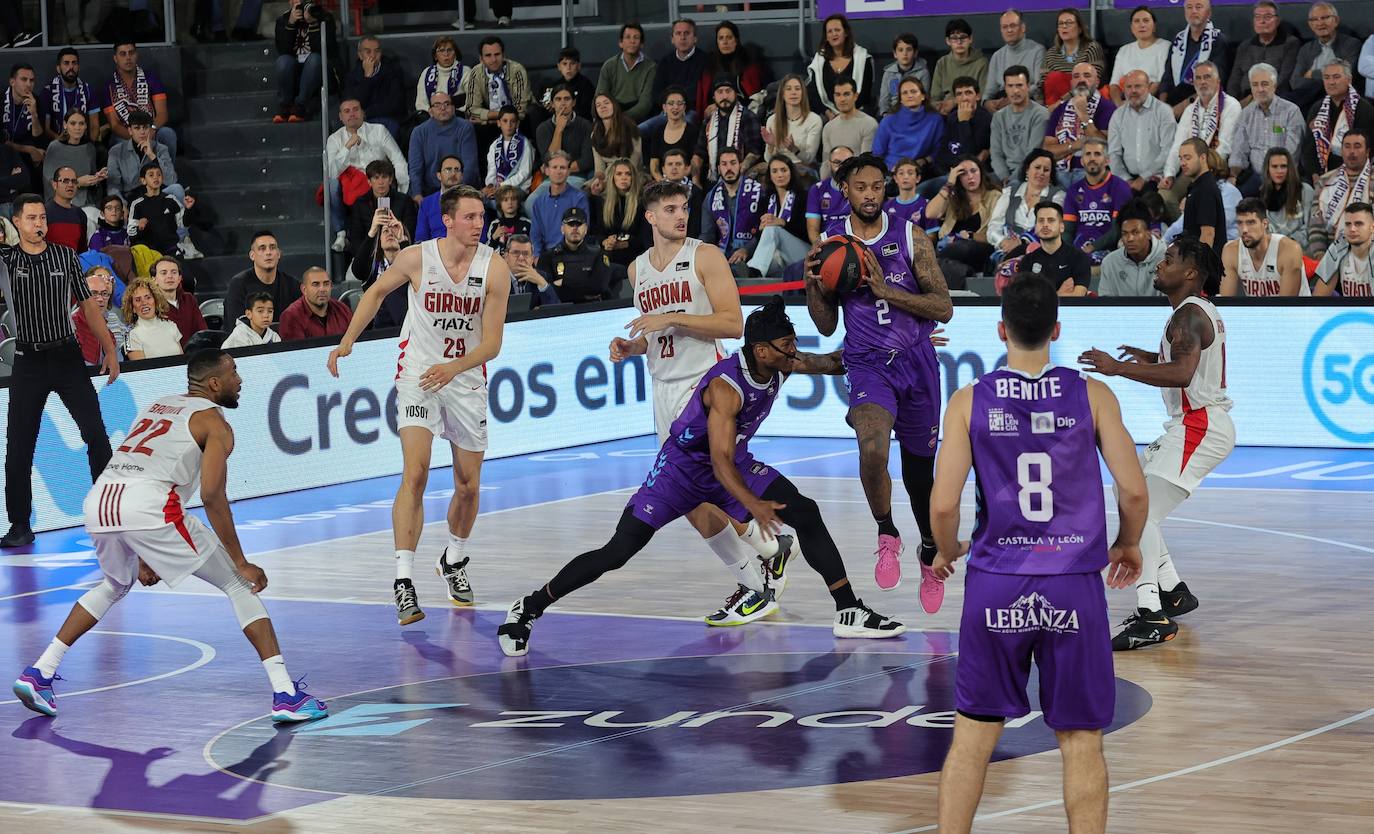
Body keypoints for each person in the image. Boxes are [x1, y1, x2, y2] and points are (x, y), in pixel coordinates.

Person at [498, 297, 907, 657]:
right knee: (618, 551)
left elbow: (835, 361)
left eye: (793, 345)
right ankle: (529, 607)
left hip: (732, 460)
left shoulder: (781, 362)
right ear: (762, 350)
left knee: (806, 511)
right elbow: (719, 461)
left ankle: (848, 609)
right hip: (682, 470)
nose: (795, 353)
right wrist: (753, 505)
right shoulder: (727, 387)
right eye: (787, 347)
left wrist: (899, 347)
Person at [930, 274, 1146, 834]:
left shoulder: (968, 400)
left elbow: (944, 502)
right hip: (1073, 581)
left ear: (1001, 330)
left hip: (996, 581)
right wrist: (1128, 541)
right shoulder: (1093, 395)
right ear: (1056, 328)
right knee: (1080, 740)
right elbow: (1134, 490)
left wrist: (947, 548)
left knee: (973, 735)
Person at [13, 349, 329, 721]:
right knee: (238, 585)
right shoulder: (215, 425)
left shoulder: (159, 404)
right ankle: (285, 694)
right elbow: (212, 495)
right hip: (148, 506)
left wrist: (147, 554)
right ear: (214, 383)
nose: (239, 380)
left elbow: (146, 466)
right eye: (234, 373)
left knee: (115, 585)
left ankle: (40, 672)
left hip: (100, 500)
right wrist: (240, 562)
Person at [613, 180, 796, 622]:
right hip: (663, 388)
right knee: (696, 502)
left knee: (697, 495)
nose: (681, 215)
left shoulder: (705, 256)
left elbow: (734, 324)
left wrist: (672, 315)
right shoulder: (638, 270)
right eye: (671, 209)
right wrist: (633, 347)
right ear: (650, 217)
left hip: (707, 386)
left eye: (684, 208)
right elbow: (659, 336)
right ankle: (770, 553)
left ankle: (757, 580)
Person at [328, 185, 510, 625]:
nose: (477, 224)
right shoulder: (415, 257)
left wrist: (454, 367)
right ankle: (403, 581)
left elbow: (492, 345)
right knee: (417, 471)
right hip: (418, 375)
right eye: (469, 217)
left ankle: (454, 559)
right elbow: (374, 293)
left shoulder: (494, 267)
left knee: (468, 484)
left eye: (480, 217)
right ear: (447, 220)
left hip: (464, 375)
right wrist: (348, 340)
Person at [805, 152, 954, 601]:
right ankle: (886, 534)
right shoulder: (831, 245)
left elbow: (943, 307)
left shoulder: (911, 237)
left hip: (916, 363)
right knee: (872, 451)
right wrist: (813, 283)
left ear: (885, 189)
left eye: (876, 186)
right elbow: (827, 326)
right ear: (844, 191)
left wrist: (887, 290)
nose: (869, 195)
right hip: (867, 363)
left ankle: (928, 552)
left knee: (918, 477)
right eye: (860, 187)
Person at [1079, 236, 1232, 651]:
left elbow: (1183, 373)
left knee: (1138, 511)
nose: (1159, 265)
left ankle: (1152, 614)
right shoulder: (1192, 314)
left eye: (1169, 260)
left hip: (1199, 426)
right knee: (1125, 488)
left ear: (1191, 273)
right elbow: (1188, 363)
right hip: (1194, 424)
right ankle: (1172, 588)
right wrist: (1148, 357)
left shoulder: (1187, 317)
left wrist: (1119, 368)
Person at [0, 195, 117, 547]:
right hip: (28, 360)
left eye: (42, 218)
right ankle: (20, 524)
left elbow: (88, 306)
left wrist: (109, 347)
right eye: (31, 218)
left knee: (96, 433)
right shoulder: (6, 260)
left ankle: (107, 511)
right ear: (16, 222)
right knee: (18, 446)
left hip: (67, 357)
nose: (39, 224)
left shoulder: (65, 256)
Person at [1158, 62, 1242, 219]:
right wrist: (1169, 174)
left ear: (1218, 81)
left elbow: (1224, 148)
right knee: (1164, 194)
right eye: (1198, 78)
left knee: (1193, 199)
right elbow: (1178, 146)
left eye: (1207, 77)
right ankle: (1186, 233)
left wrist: (1199, 177)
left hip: (1217, 169)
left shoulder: (1231, 106)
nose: (1202, 82)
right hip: (1191, 168)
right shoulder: (1190, 110)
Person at [326, 98, 409, 251]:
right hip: (351, 189)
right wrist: (347, 147)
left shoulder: (379, 130)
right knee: (331, 184)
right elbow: (332, 172)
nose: (352, 114)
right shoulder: (334, 139)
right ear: (340, 117)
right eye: (347, 111)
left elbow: (397, 158)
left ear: (363, 113)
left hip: (378, 182)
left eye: (356, 109)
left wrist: (403, 192)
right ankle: (341, 234)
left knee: (382, 180)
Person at [1229, 63, 1305, 196]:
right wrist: (1233, 175)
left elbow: (1292, 152)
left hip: (1283, 175)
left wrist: (1273, 175)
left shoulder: (1291, 111)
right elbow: (1239, 149)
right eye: (1255, 85)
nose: (1260, 89)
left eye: (1264, 84)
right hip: (1254, 176)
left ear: (1274, 86)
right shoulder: (1246, 113)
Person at [1300, 61, 1374, 181]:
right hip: (1320, 175)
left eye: (1336, 77)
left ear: (1349, 80)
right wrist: (1314, 174)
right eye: (1327, 78)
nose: (1331, 82)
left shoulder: (1364, 109)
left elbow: (1368, 150)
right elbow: (1309, 147)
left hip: (1354, 176)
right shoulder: (1317, 108)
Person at [1064, 137, 1135, 261]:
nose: (1092, 158)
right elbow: (1068, 231)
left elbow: (1117, 230)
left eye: (1097, 154)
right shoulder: (1073, 190)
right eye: (1088, 154)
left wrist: (1092, 247)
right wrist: (1067, 254)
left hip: (1108, 250)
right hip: (1079, 248)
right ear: (1082, 161)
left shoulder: (1120, 188)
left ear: (1107, 160)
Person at [1043, 63, 1114, 186]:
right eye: (1076, 76)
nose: (1081, 80)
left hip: (1089, 172)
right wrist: (1076, 145)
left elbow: (1104, 147)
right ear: (1071, 83)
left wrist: (1083, 115)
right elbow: (1048, 151)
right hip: (1058, 172)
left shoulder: (1107, 108)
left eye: (1087, 75)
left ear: (1097, 82)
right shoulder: (1060, 109)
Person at [1220, 197, 1309, 296]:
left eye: (1251, 222)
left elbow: (1286, 307)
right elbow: (1227, 302)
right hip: (1254, 311)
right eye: (1240, 223)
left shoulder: (1289, 250)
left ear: (1265, 224)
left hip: (1296, 311)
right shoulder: (1231, 251)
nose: (1244, 229)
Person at [927, 157, 1000, 275]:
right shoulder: (953, 198)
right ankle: (961, 271)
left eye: (974, 171)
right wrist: (949, 183)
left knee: (962, 247)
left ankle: (932, 266)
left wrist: (970, 236)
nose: (970, 176)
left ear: (981, 172)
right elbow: (930, 213)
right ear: (958, 178)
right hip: (951, 250)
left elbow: (997, 235)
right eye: (963, 173)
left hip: (980, 248)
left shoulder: (995, 197)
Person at [1106, 70, 1176, 192]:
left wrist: (1144, 178)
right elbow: (1114, 153)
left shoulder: (1163, 111)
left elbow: (1168, 150)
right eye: (1129, 87)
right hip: (1127, 177)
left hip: (1156, 177)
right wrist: (1126, 179)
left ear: (1148, 87)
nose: (1133, 91)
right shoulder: (1118, 115)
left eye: (1138, 86)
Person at [102, 42, 175, 157]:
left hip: (151, 129)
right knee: (119, 144)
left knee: (168, 134)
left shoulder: (150, 78)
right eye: (123, 54)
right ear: (115, 58)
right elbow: (114, 125)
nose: (128, 57)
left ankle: (167, 173)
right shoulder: (109, 86)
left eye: (131, 53)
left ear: (137, 55)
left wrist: (150, 131)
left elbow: (162, 114)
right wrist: (135, 138)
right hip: (125, 133)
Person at [988, 149, 1063, 262]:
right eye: (1037, 168)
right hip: (1007, 249)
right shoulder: (1010, 192)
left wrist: (1022, 242)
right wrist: (1003, 242)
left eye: (1046, 170)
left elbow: (1052, 227)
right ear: (1027, 169)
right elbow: (994, 226)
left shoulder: (1057, 196)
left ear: (1051, 175)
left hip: (1040, 249)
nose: (1041, 172)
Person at [1158, 0, 1229, 117]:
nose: (1194, 11)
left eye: (1199, 7)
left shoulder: (1218, 40)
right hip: (1172, 102)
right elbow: (1167, 77)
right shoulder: (1178, 40)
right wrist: (1163, 107)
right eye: (1189, 7)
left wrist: (1181, 108)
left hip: (1202, 103)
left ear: (1209, 13)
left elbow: (1216, 83)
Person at [459, 36, 532, 149]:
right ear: (481, 58)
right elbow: (471, 110)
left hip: (517, 121)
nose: (493, 60)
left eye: (497, 54)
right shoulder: (476, 73)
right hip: (492, 121)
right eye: (488, 55)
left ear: (503, 55)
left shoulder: (517, 70)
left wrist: (491, 119)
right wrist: (498, 118)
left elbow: (520, 110)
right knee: (474, 129)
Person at [700, 148, 763, 277]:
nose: (729, 168)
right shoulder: (711, 197)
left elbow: (765, 231)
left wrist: (747, 250)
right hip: (723, 256)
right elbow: (707, 235)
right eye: (724, 164)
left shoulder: (759, 191)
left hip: (753, 254)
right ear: (718, 168)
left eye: (733, 163)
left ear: (740, 165)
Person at [1308, 130, 1372, 258]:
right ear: (1341, 151)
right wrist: (1321, 258)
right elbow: (1316, 225)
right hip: (1329, 255)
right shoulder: (1325, 181)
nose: (1352, 152)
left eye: (1357, 146)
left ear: (1367, 152)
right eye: (1347, 146)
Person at [1289, 2, 1363, 110]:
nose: (1320, 23)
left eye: (1325, 17)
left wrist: (1313, 74)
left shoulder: (1351, 44)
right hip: (1307, 97)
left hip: (1337, 98)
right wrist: (1330, 79)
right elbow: (1295, 82)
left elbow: (1346, 76)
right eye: (1314, 19)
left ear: (1336, 21)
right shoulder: (1306, 49)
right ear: (1310, 24)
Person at [407, 92, 479, 202]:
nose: (443, 108)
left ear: (453, 108)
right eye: (437, 105)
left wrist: (459, 194)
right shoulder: (419, 132)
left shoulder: (465, 128)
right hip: (430, 191)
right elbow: (415, 168)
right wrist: (417, 194)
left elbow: (470, 166)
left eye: (447, 104)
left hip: (461, 189)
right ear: (430, 111)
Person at [272, 0, 336, 123]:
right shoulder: (283, 20)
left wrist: (313, 24)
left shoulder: (323, 17)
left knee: (315, 59)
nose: (299, 4)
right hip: (294, 71)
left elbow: (325, 51)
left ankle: (300, 106)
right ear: (290, 2)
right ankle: (286, 106)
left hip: (317, 70)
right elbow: (283, 50)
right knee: (283, 61)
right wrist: (290, 24)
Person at [692, 76, 762, 187]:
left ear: (735, 94)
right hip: (713, 177)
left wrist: (736, 171)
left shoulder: (748, 117)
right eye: (720, 92)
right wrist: (695, 180)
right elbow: (699, 153)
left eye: (728, 91)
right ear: (714, 97)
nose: (724, 96)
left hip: (741, 176)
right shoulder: (709, 121)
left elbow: (755, 151)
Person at [536, 205, 614, 303]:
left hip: (592, 310)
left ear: (586, 229)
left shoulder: (598, 254)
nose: (575, 228)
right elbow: (546, 291)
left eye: (579, 224)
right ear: (562, 228)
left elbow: (599, 287)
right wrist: (585, 287)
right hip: (561, 311)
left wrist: (563, 283)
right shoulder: (548, 257)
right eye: (570, 224)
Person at [747, 156, 811, 276]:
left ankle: (753, 270)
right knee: (768, 261)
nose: (779, 175)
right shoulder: (764, 201)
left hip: (803, 253)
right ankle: (750, 271)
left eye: (784, 170)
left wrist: (782, 222)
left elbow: (807, 231)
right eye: (775, 171)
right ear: (770, 176)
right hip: (780, 256)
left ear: (791, 172)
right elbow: (763, 241)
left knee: (772, 229)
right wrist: (761, 230)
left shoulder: (804, 197)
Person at [348, 159, 417, 267]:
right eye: (376, 178)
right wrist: (365, 257)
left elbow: (410, 232)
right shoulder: (360, 203)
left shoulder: (404, 201)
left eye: (384, 177)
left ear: (390, 180)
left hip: (398, 255)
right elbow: (356, 237)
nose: (380, 182)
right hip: (369, 258)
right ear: (369, 182)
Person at [1227, 0, 1300, 104]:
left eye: (1267, 17)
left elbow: (1284, 80)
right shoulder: (1245, 46)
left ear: (1277, 20)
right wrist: (1232, 103)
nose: (1262, 21)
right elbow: (1234, 80)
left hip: (1274, 99)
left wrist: (1254, 99)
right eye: (1257, 17)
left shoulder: (1290, 44)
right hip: (1243, 100)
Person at [807, 13, 876, 118]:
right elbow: (814, 94)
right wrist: (828, 113)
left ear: (846, 33)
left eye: (837, 30)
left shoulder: (862, 58)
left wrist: (847, 113)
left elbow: (865, 94)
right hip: (827, 115)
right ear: (826, 37)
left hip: (856, 112)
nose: (834, 34)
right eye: (830, 31)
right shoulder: (819, 60)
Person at [223, 231, 300, 325]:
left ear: (279, 254)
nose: (268, 252)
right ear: (252, 255)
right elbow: (235, 326)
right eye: (262, 248)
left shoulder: (292, 284)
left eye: (272, 248)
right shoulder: (239, 284)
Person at [990, 65, 1050, 186]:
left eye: (1019, 85)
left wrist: (1012, 179)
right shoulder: (998, 116)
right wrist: (1004, 176)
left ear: (1028, 86)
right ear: (1005, 88)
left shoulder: (1040, 114)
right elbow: (996, 153)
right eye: (1010, 86)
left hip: (1029, 172)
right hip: (1003, 174)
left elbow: (1032, 155)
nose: (1015, 91)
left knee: (1014, 186)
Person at [1019, 202, 1093, 296]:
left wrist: (1043, 298)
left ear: (1062, 227)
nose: (1045, 225)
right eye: (1041, 220)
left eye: (1051, 220)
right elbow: (1024, 300)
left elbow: (1077, 295)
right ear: (1036, 227)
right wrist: (1058, 294)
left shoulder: (1078, 258)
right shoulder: (1027, 262)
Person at [107, 109, 179, 204]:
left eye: (145, 127)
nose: (142, 132)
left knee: (177, 189)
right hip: (131, 198)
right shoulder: (116, 151)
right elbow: (113, 186)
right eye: (137, 128)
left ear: (150, 129)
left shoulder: (161, 149)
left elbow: (172, 180)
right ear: (130, 130)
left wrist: (152, 156)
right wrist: (121, 205)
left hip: (158, 195)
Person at [872, 77, 943, 174]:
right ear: (900, 99)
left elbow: (938, 149)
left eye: (913, 91)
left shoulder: (935, 119)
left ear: (923, 96)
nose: (909, 95)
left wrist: (925, 160)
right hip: (891, 171)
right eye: (905, 93)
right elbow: (877, 154)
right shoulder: (888, 121)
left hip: (921, 171)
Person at [527, 152, 590, 256]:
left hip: (572, 256)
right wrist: (537, 257)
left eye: (562, 167)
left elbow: (582, 231)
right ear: (547, 170)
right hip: (547, 258)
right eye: (554, 167)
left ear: (569, 171)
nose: (558, 171)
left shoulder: (579, 198)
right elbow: (535, 236)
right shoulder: (539, 202)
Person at [649, 19, 709, 129]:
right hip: (666, 112)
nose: (682, 38)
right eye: (678, 33)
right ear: (672, 39)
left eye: (687, 33)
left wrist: (677, 105)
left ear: (695, 38)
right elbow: (656, 92)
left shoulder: (705, 60)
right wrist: (670, 107)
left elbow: (697, 92)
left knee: (686, 125)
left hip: (690, 111)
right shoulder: (665, 61)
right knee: (639, 130)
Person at [535, 84, 594, 193]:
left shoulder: (586, 126)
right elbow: (549, 160)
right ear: (552, 104)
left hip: (577, 178)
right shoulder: (543, 128)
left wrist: (557, 169)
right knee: (530, 205)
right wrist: (558, 130)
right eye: (558, 99)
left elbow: (586, 161)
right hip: (550, 180)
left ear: (574, 102)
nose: (563, 103)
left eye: (567, 99)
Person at [1098, 203, 1167, 296]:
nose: (1130, 238)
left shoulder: (1168, 259)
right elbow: (1105, 303)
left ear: (1148, 233)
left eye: (1135, 232)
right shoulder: (1110, 262)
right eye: (1125, 233)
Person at [1039, 9, 1105, 106]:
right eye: (1060, 24)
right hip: (1053, 105)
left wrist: (1062, 102)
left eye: (1069, 23)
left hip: (1085, 99)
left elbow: (1092, 82)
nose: (1064, 26)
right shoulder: (1051, 53)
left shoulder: (1091, 48)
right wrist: (1040, 108)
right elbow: (1042, 84)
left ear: (1079, 28)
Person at [932, 77, 993, 182]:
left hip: (972, 175)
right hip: (949, 172)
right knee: (922, 190)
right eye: (959, 94)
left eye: (968, 93)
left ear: (977, 96)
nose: (964, 98)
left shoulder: (985, 119)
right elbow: (943, 152)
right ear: (955, 99)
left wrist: (964, 122)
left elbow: (970, 153)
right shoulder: (952, 116)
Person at [696, 22, 764, 116]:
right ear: (717, 42)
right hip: (714, 114)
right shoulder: (709, 66)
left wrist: (723, 106)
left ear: (736, 41)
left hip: (742, 112)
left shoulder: (748, 65)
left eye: (729, 37)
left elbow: (753, 98)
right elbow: (704, 100)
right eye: (721, 38)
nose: (725, 42)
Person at [596, 23, 658, 125]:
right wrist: (611, 116)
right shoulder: (609, 65)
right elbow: (600, 96)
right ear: (621, 43)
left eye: (636, 38)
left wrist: (620, 119)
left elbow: (645, 103)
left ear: (642, 44)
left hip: (638, 116)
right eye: (628, 37)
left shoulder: (650, 67)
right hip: (612, 111)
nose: (632, 41)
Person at [591, 159, 647, 269]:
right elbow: (598, 232)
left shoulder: (642, 203)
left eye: (628, 174)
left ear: (633, 177)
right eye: (619, 174)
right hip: (609, 254)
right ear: (613, 177)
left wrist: (624, 244)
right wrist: (605, 241)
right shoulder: (602, 201)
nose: (624, 177)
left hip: (634, 256)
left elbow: (644, 238)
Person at [43, 111, 105, 208]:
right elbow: (50, 183)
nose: (77, 128)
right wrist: (77, 182)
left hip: (88, 204)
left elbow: (91, 179)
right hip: (61, 205)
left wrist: (96, 178)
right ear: (65, 125)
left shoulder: (90, 148)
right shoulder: (54, 148)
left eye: (81, 123)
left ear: (85, 126)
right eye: (73, 123)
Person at [984, 10, 1044, 111]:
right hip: (1001, 101)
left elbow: (1039, 85)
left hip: (1028, 100)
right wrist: (986, 102)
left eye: (1013, 26)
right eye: (1005, 27)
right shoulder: (997, 56)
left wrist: (1013, 98)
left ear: (1023, 27)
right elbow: (989, 91)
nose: (1009, 30)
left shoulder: (1038, 51)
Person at [1109, 5, 1169, 103]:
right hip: (1125, 102)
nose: (1142, 25)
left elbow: (1159, 82)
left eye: (1146, 20)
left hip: (1152, 101)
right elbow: (1114, 85)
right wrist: (1119, 106)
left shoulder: (1164, 47)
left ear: (1154, 26)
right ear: (1132, 28)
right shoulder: (1124, 50)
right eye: (1137, 21)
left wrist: (1137, 103)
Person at [1313, 201, 1374, 296]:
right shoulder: (1337, 248)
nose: (1352, 229)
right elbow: (1319, 297)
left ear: (1372, 228)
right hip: (1348, 310)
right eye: (1348, 224)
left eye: (1358, 224)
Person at [126, 162, 188, 257]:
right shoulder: (137, 204)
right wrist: (140, 228)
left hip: (170, 248)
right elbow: (131, 232)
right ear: (143, 181)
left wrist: (190, 209)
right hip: (148, 251)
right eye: (151, 175)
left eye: (159, 174)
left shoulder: (171, 199)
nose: (156, 177)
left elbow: (183, 223)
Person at [763, 74, 822, 173]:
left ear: (803, 93)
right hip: (778, 168)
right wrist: (771, 145)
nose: (793, 92)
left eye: (797, 89)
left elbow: (809, 159)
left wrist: (794, 149)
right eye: (789, 89)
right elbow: (768, 159)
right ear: (782, 94)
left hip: (802, 169)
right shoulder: (772, 120)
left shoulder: (814, 120)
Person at [1178, 138, 1228, 255]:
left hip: (1205, 267)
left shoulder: (1205, 189)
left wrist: (1199, 266)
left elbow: (1208, 234)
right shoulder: (1198, 186)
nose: (1182, 163)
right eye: (1180, 158)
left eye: (1188, 157)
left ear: (1203, 158)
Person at [1259, 147, 1315, 251]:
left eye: (1283, 166)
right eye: (1274, 166)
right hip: (1270, 250)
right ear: (1268, 169)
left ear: (1290, 168)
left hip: (1298, 250)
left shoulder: (1305, 191)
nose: (1279, 171)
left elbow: (1310, 227)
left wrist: (1289, 243)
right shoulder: (1262, 193)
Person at [929, 19, 988, 116]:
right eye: (954, 38)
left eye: (963, 37)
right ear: (948, 41)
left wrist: (955, 102)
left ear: (970, 39)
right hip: (945, 113)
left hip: (973, 110)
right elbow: (935, 97)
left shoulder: (981, 63)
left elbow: (983, 95)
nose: (959, 42)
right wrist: (940, 107)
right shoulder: (942, 63)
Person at [588, 94, 642, 195]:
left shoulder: (630, 127)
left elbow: (635, 158)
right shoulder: (595, 134)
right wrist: (599, 179)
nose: (602, 106)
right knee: (588, 190)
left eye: (606, 103)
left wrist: (612, 180)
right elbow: (599, 166)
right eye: (598, 105)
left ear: (614, 105)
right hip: (607, 174)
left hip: (628, 173)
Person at [73, 265, 128, 364]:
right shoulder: (72, 325)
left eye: (104, 294)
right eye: (94, 293)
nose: (100, 299)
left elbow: (119, 361)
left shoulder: (110, 322)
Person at [279, 266, 351, 340]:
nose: (322, 289)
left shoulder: (343, 310)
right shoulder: (291, 316)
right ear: (304, 289)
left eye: (326, 284)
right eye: (316, 284)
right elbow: (296, 351)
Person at [819, 79, 877, 170]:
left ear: (855, 96)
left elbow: (866, 163)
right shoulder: (828, 128)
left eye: (846, 94)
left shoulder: (869, 124)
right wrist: (824, 183)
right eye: (838, 95)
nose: (842, 99)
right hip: (834, 180)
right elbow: (826, 164)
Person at [121, 276, 183, 360]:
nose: (144, 303)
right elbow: (141, 369)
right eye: (138, 300)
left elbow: (183, 362)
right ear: (133, 308)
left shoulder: (171, 326)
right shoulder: (130, 336)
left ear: (156, 301)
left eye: (148, 297)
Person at [44, 48, 100, 139]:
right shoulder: (48, 92)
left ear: (78, 67)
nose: (71, 67)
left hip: (82, 142)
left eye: (74, 63)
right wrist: (62, 143)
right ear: (58, 68)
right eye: (66, 63)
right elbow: (46, 129)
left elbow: (95, 126)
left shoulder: (88, 90)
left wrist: (89, 145)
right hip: (57, 143)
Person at [152, 256, 207, 346]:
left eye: (174, 272)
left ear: (179, 278)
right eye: (164, 273)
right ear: (154, 280)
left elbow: (202, 331)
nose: (169, 276)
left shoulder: (189, 299)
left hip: (194, 355)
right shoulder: (151, 305)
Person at [647, 87, 698, 181]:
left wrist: (676, 179)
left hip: (685, 182)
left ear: (684, 107)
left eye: (680, 104)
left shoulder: (693, 131)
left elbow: (694, 163)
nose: (675, 107)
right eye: (671, 103)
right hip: (663, 182)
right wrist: (662, 181)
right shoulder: (658, 131)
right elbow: (654, 164)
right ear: (664, 107)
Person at [482, 106, 533, 198]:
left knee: (502, 201)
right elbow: (492, 170)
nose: (509, 125)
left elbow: (524, 173)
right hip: (498, 187)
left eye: (512, 121)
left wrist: (502, 186)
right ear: (498, 123)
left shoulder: (524, 143)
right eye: (505, 121)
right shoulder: (494, 145)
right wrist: (490, 185)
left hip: (518, 188)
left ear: (517, 124)